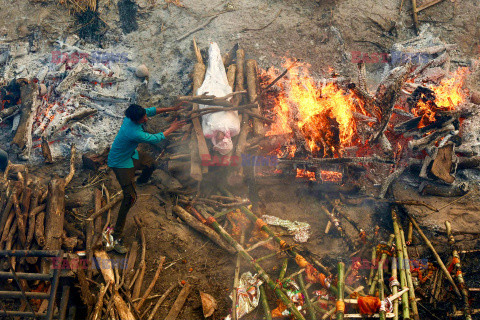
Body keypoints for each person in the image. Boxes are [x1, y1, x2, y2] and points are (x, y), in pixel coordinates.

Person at [107, 104, 185, 253]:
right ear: (136, 120)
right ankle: (116, 237)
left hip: (130, 155)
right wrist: (173, 127)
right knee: (130, 198)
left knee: (151, 163)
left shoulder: (132, 117)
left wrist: (172, 108)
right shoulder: (134, 132)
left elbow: (151, 110)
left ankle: (142, 181)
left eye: (144, 115)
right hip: (120, 163)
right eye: (143, 118)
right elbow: (156, 138)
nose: (146, 118)